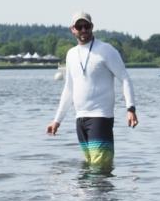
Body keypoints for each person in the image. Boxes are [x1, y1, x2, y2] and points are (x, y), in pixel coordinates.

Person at [46, 11, 138, 169]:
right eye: (79, 26)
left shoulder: (106, 50)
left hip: (100, 117)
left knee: (99, 169)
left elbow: (124, 78)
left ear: (92, 27)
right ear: (72, 29)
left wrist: (130, 108)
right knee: (89, 171)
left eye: (86, 26)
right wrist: (57, 120)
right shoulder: (71, 54)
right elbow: (69, 89)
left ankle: (106, 194)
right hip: (80, 119)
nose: (83, 30)